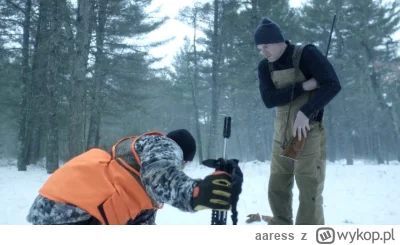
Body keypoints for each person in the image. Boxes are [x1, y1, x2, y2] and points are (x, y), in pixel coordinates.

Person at [26, 129, 239, 225]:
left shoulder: (134, 162)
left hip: (59, 212)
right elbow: (158, 173)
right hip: (70, 214)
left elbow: (141, 223)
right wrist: (194, 193)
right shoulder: (163, 145)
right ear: (182, 158)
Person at [249, 17, 342, 225]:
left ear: (279, 41)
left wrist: (306, 112)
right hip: (281, 130)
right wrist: (303, 87)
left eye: (266, 46)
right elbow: (269, 99)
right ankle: (282, 227)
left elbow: (332, 85)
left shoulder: (307, 54)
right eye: (259, 48)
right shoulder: (265, 67)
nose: (263, 51)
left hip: (308, 130)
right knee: (277, 183)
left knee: (308, 183)